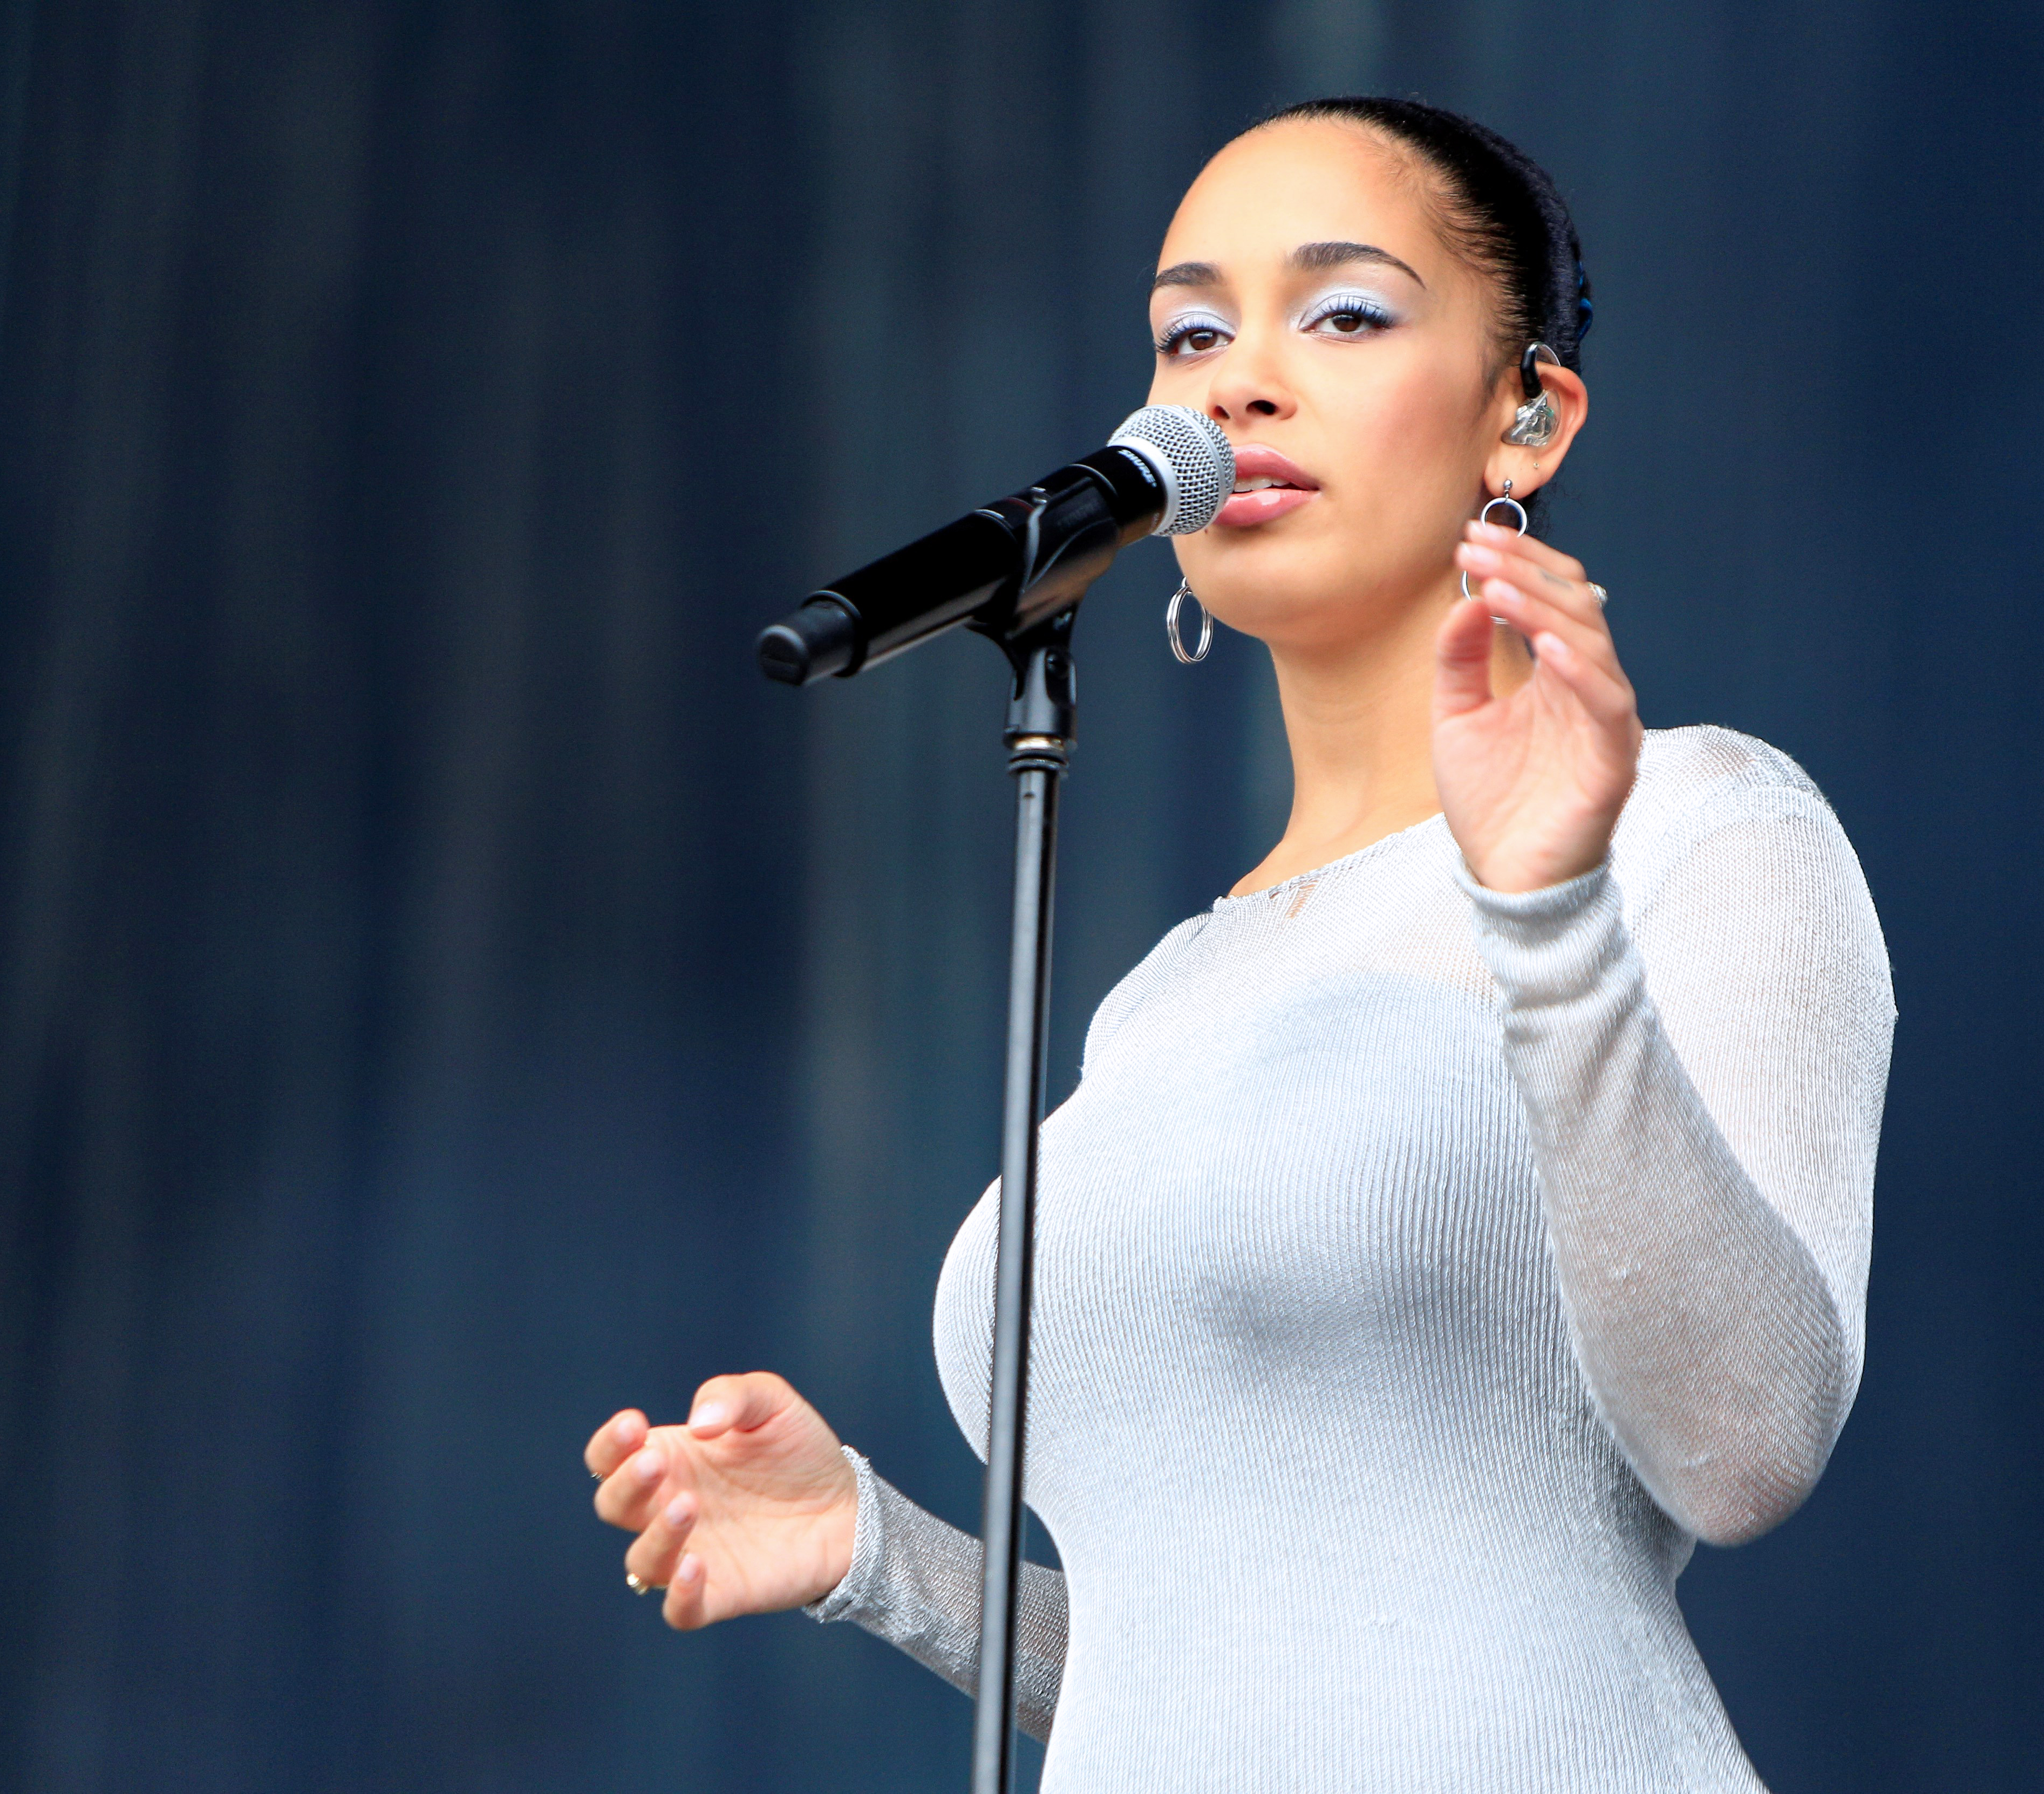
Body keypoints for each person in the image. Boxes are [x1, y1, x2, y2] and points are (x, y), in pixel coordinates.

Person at [586, 97, 1895, 1791]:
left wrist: (1551, 914)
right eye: (1188, 331)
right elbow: (1221, 1663)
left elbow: (1746, 1451)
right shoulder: (1166, 998)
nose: (1236, 380)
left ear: (1527, 417)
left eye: (1343, 312)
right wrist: (872, 1554)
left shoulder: (1696, 825)